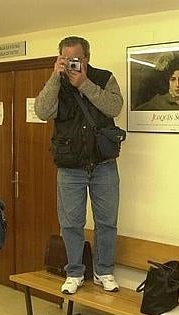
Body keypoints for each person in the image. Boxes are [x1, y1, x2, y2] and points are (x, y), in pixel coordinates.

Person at [34, 36, 123, 295]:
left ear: (87, 57)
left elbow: (114, 106)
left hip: (103, 164)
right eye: (66, 58)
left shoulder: (104, 78)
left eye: (77, 58)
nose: (72, 63)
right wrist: (55, 76)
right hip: (69, 166)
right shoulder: (57, 84)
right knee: (71, 222)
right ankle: (74, 272)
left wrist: (84, 83)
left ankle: (103, 271)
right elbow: (42, 111)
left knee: (107, 221)